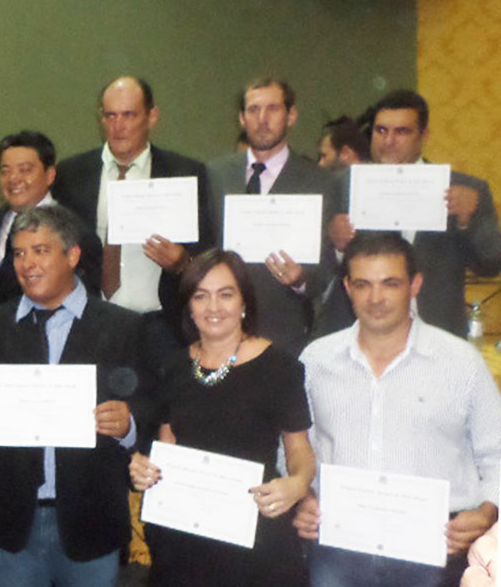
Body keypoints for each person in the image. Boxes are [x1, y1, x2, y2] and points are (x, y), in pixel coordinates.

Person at [0, 205, 146, 587]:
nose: (27, 264)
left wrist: (129, 423)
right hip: (11, 525)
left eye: (40, 250)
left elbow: (148, 408)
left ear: (72, 255)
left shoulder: (123, 327)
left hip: (92, 522)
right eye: (19, 253)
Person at [294, 232, 501, 586]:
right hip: (338, 548)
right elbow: (294, 450)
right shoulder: (316, 360)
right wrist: (303, 496)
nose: (376, 298)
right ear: (347, 288)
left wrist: (488, 510)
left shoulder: (461, 362)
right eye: (363, 284)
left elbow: (496, 452)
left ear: (415, 285)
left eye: (390, 283)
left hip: (439, 549)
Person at [127, 249, 314, 586]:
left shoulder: (280, 367)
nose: (213, 307)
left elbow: (299, 450)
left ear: (244, 302)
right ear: (189, 306)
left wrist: (298, 483)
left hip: (254, 535)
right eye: (201, 296)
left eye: (225, 294)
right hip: (185, 536)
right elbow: (167, 447)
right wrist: (146, 469)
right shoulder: (173, 367)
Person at [53, 76, 210, 365]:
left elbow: (208, 253)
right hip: (91, 320)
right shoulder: (71, 174)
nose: (118, 126)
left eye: (128, 115)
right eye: (110, 116)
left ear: (152, 116)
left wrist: (182, 263)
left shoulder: (185, 173)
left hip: (160, 324)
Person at [318, 90, 501, 338]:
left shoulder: (464, 189)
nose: (388, 140)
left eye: (401, 131)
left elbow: (491, 265)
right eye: (381, 130)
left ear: (423, 136)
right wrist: (336, 246)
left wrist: (468, 221)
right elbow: (315, 275)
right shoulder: (340, 186)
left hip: (436, 333)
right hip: (355, 333)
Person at [205, 78, 339, 356]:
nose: (262, 119)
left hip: (286, 328)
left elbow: (328, 265)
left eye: (273, 109)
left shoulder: (320, 181)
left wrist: (301, 279)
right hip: (221, 327)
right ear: (242, 118)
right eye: (253, 110)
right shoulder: (215, 174)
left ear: (291, 115)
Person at [0, 131, 104, 305]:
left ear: (50, 175)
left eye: (25, 170)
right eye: (5, 171)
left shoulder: (76, 232)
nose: (13, 179)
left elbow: (85, 304)